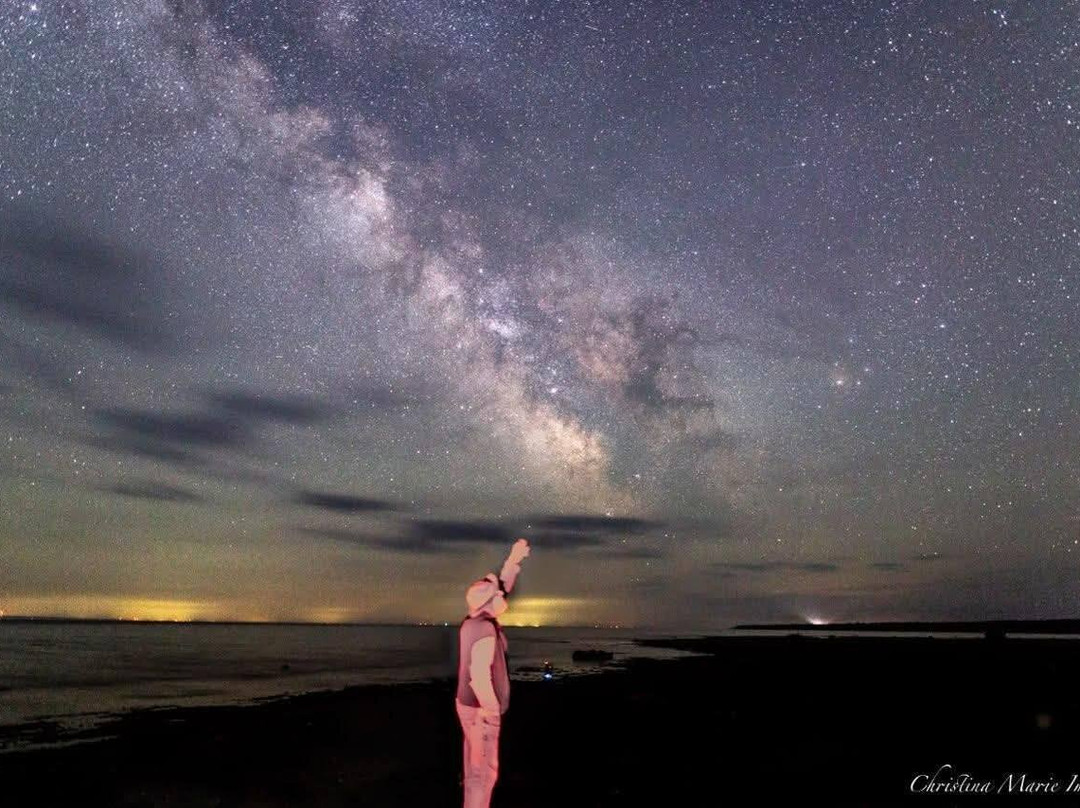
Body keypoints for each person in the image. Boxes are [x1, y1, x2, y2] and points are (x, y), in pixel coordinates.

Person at [455, 538, 531, 808]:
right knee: (482, 774)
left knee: (474, 769)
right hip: (480, 712)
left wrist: (513, 561)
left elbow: (502, 586)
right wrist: (493, 712)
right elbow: (479, 678)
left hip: (468, 707)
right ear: (488, 604)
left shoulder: (475, 621)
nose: (502, 595)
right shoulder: (485, 630)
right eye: (496, 596)